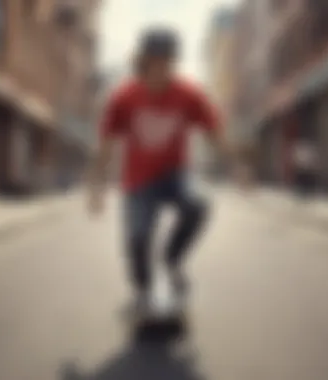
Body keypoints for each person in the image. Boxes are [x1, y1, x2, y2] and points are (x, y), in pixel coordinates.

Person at [90, 28, 232, 313]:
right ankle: (143, 289)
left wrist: (239, 168)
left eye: (168, 63)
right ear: (143, 62)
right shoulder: (123, 97)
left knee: (198, 205)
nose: (162, 71)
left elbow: (214, 133)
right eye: (155, 63)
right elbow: (106, 144)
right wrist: (97, 188)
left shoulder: (189, 94)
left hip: (174, 174)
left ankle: (172, 258)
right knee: (137, 238)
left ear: (174, 63)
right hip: (138, 180)